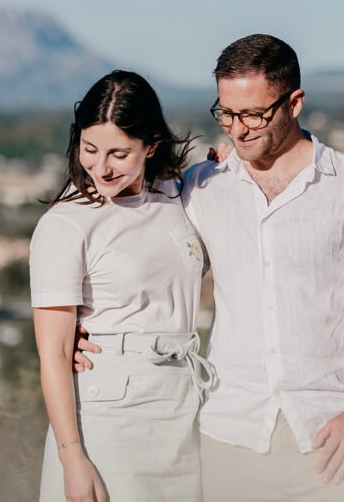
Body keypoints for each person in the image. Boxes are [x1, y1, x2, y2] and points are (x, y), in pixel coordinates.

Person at [76, 35, 344, 501]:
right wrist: (88, 327)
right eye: (227, 114)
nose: (238, 130)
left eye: (254, 115)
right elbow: (156, 273)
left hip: (334, 439)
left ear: (294, 103)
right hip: (228, 439)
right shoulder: (201, 187)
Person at [30, 70, 215, 502]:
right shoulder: (64, 224)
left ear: (151, 145)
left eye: (119, 153)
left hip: (184, 406)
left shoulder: (177, 195)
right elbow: (54, 353)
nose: (101, 166)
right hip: (107, 413)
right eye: (90, 149)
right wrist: (71, 458)